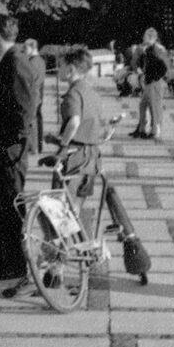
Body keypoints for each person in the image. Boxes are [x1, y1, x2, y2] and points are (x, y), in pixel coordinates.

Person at [0, 14, 35, 281]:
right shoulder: (1, 60)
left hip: (9, 148)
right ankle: (5, 257)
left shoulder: (16, 62)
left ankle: (14, 264)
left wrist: (13, 143)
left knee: (10, 205)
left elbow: (25, 109)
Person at [39, 47, 104, 231]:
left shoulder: (73, 93)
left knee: (59, 208)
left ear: (71, 69)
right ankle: (76, 242)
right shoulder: (92, 93)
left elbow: (74, 122)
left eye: (60, 66)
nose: (57, 70)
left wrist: (62, 144)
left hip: (75, 156)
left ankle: (58, 245)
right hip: (92, 157)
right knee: (75, 208)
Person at [130, 28, 169, 140]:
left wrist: (154, 77)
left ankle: (155, 131)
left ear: (151, 38)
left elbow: (164, 67)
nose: (143, 37)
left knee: (155, 107)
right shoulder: (147, 49)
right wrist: (141, 72)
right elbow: (140, 62)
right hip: (148, 81)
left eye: (145, 36)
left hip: (154, 82)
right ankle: (144, 128)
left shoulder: (157, 50)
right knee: (144, 105)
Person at [22, 38, 46, 154]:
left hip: (32, 95)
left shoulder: (32, 62)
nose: (24, 50)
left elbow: (29, 81)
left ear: (33, 48)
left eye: (25, 48)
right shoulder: (41, 60)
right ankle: (37, 146)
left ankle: (34, 147)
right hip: (38, 94)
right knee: (36, 119)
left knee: (31, 121)